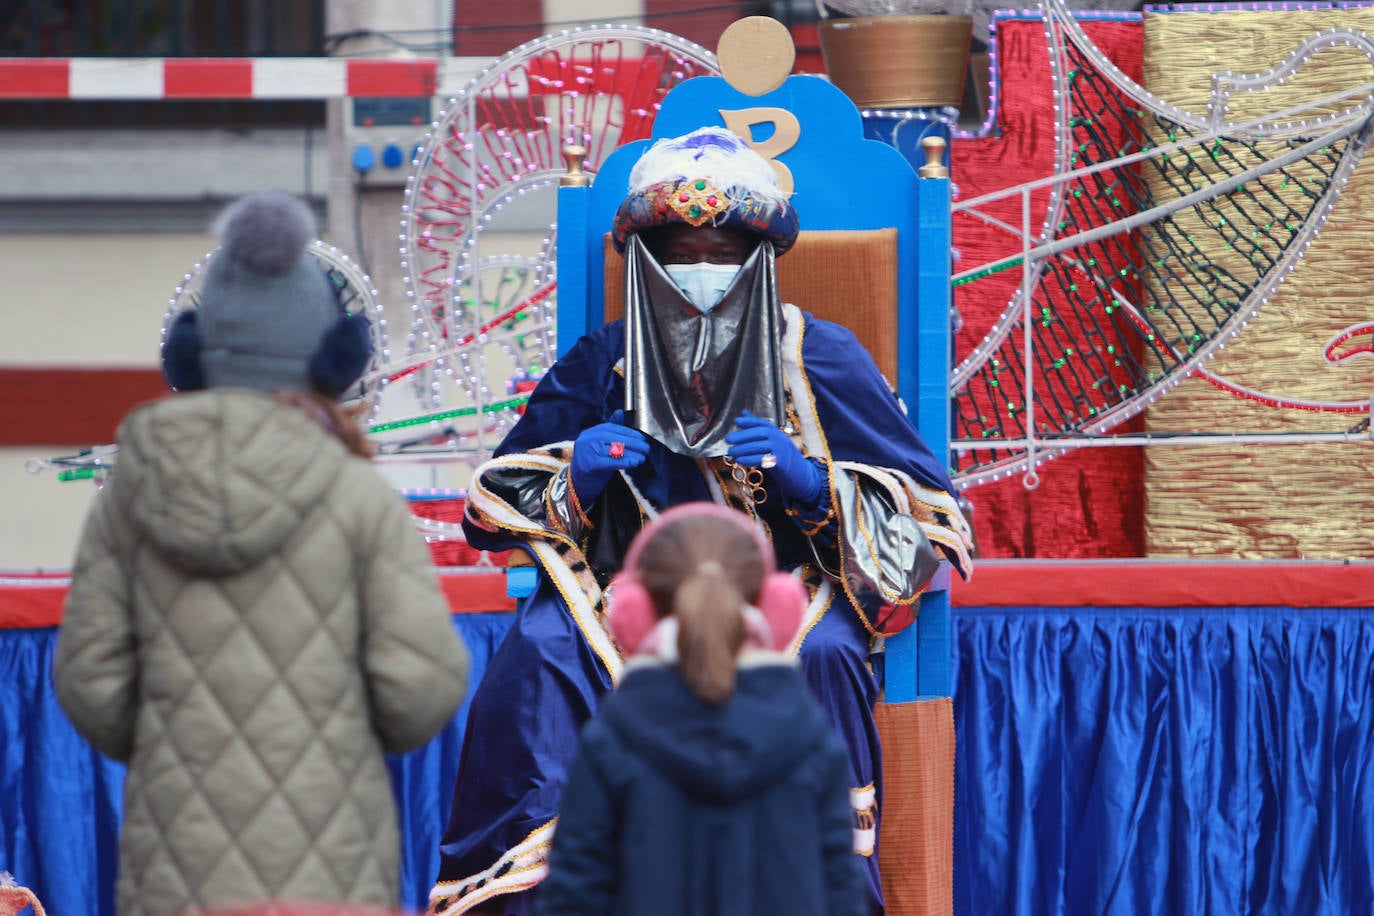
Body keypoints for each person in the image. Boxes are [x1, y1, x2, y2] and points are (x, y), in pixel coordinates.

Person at [431, 127, 973, 916]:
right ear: (645, 257)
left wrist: (812, 482)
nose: (703, 268)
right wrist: (572, 474)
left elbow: (934, 521)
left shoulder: (820, 355)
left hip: (778, 592)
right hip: (629, 595)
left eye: (722, 251)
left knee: (823, 654)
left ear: (758, 256)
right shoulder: (602, 360)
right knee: (542, 649)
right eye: (681, 249)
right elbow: (488, 508)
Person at [53, 190, 471, 916]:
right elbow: (419, 695)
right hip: (330, 872)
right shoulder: (357, 496)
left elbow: (89, 680)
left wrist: (170, 738)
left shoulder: (132, 494)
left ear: (196, 353)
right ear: (330, 358)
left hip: (176, 873)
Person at [535, 502, 867, 916]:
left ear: (635, 614)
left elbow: (574, 897)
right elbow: (842, 894)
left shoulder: (612, 741)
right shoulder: (811, 738)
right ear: (775, 608)